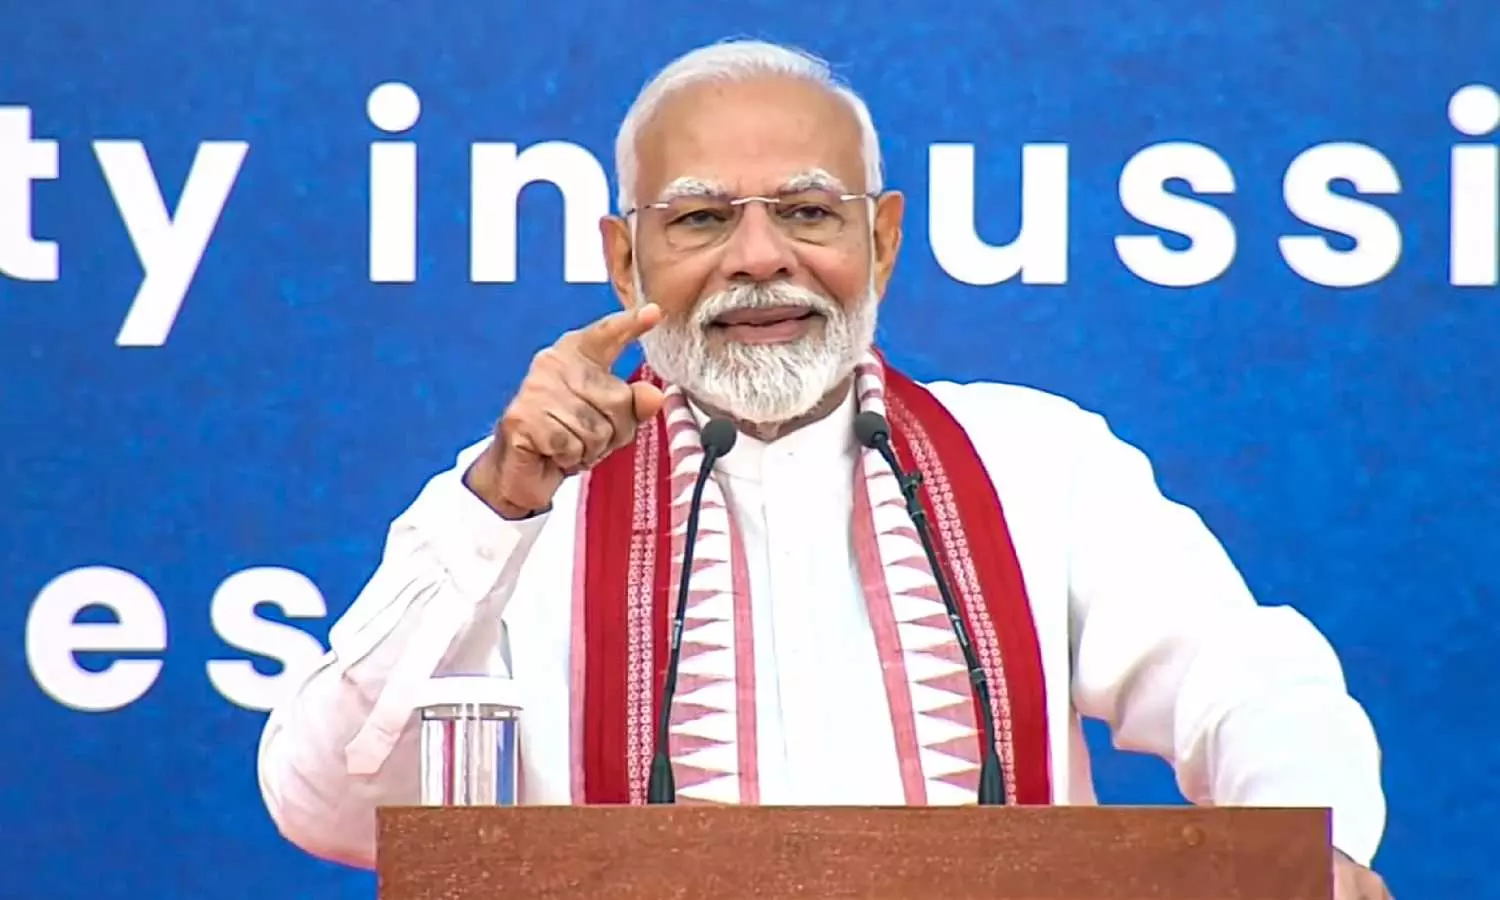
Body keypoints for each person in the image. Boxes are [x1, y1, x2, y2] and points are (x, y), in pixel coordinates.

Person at [257, 38, 1392, 899]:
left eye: (808, 211)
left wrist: (1318, 853)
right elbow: (329, 801)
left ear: (881, 241)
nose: (761, 258)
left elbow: (1245, 681)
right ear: (623, 258)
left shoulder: (1034, 459)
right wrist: (499, 510)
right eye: (700, 220)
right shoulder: (516, 501)